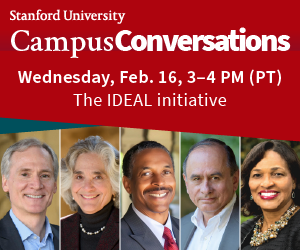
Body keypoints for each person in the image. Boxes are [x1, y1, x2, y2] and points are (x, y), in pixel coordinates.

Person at [61, 136, 119, 250]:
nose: (87, 187)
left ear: (114, 185)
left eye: (97, 177)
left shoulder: (130, 230)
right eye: (79, 177)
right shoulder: (58, 230)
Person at [0, 138, 59, 250]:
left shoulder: (70, 237)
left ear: (55, 185)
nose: (37, 185)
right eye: (25, 174)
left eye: (45, 175)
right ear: (5, 182)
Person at [181, 138, 239, 250]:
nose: (206, 190)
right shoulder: (179, 228)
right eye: (197, 179)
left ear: (235, 180)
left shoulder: (252, 227)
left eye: (215, 178)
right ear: (187, 183)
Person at [241, 140, 300, 249]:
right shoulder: (243, 230)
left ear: (294, 181)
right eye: (257, 175)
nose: (267, 184)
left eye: (278, 174)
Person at [121, 141, 179, 250]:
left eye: (166, 172)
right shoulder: (117, 239)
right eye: (146, 174)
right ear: (127, 185)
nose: (159, 182)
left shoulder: (189, 229)